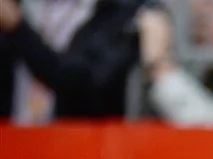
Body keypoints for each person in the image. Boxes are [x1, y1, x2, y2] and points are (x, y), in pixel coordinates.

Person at [0, 0, 140, 121]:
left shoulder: (112, 12)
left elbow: (77, 82)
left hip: (72, 133)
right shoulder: (24, 5)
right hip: (11, 129)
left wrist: (16, 27)